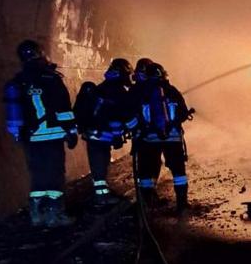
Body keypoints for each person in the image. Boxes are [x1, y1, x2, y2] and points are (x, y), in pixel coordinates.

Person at [3, 40, 77, 227]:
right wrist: (71, 131)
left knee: (38, 174)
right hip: (52, 135)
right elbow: (63, 109)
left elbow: (15, 113)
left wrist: (19, 135)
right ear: (40, 54)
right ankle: (55, 214)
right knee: (55, 174)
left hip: (30, 137)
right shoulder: (51, 78)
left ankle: (36, 213)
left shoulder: (18, 82)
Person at [130, 62, 193, 214]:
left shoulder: (140, 93)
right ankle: (182, 204)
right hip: (172, 139)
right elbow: (182, 114)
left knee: (146, 171)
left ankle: (147, 203)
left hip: (149, 140)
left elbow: (133, 115)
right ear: (163, 74)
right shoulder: (171, 91)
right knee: (178, 172)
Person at [74, 58, 134, 206]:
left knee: (100, 166)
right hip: (102, 136)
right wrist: (119, 135)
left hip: (93, 134)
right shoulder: (118, 91)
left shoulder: (103, 87)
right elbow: (116, 118)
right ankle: (101, 198)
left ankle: (102, 193)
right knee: (100, 167)